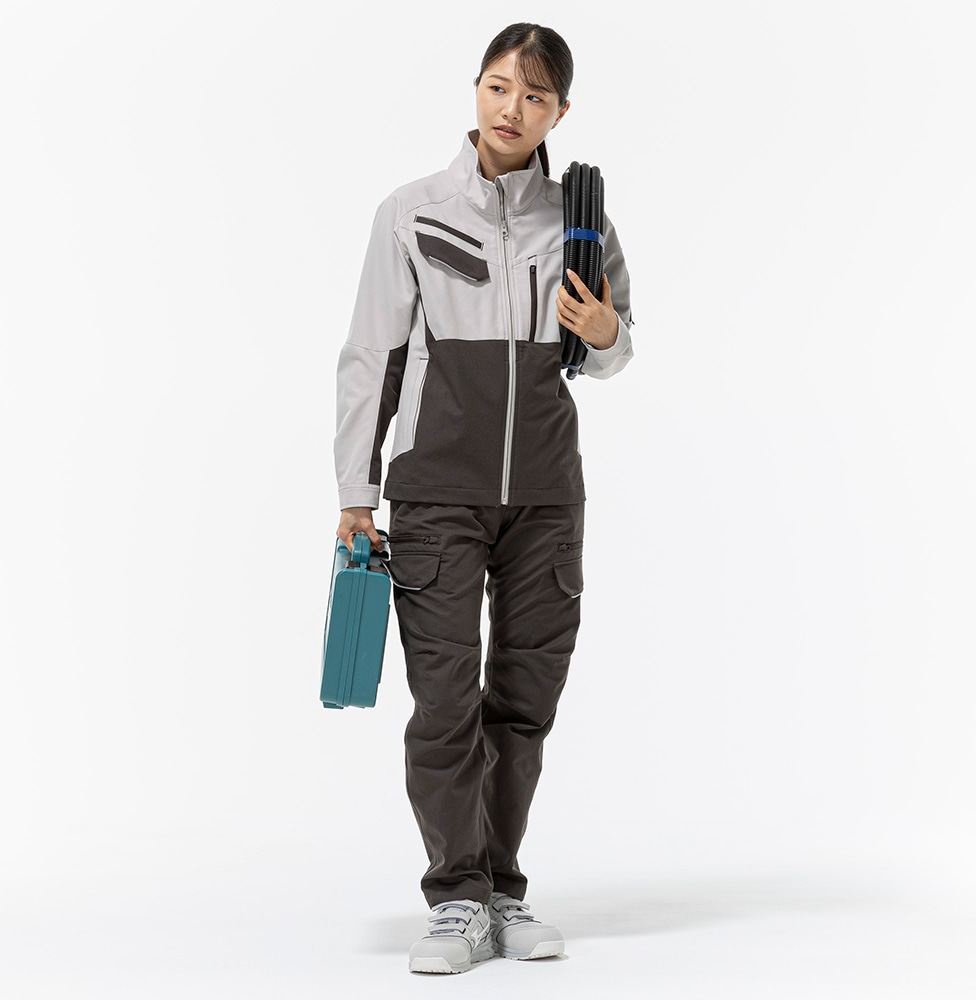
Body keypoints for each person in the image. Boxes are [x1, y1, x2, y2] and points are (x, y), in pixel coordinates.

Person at [333, 22, 633, 974]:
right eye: (500, 86)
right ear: (476, 89)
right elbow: (371, 358)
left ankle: (503, 888)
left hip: (547, 497)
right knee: (445, 701)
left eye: (535, 96)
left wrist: (604, 329)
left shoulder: (582, 217)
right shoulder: (412, 212)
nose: (513, 109)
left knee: (526, 699)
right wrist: (356, 491)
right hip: (437, 496)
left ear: (560, 112)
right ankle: (457, 897)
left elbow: (614, 350)